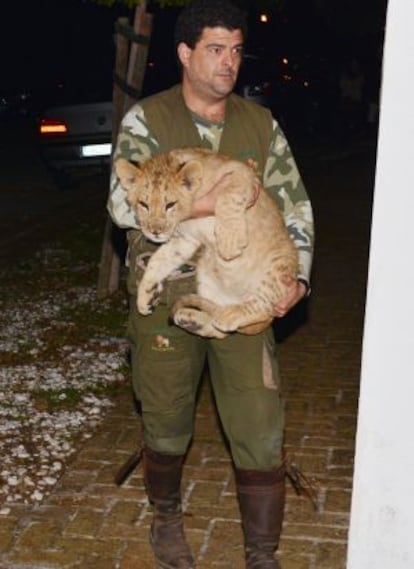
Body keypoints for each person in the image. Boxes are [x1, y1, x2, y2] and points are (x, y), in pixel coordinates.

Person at [107, 1, 314, 568]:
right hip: (167, 290)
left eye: (237, 50)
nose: (229, 63)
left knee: (258, 420)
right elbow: (121, 206)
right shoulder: (146, 121)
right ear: (185, 53)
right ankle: (167, 523)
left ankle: (262, 552)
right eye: (215, 49)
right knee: (167, 417)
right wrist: (209, 200)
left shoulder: (259, 124)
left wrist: (297, 275)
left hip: (241, 282)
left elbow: (295, 206)